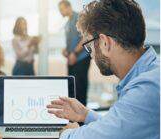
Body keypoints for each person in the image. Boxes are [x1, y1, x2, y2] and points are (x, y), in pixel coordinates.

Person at [47, 0, 160, 139]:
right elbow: (123, 128)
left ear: (105, 43)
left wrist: (66, 133)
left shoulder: (146, 88)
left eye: (89, 46)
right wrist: (85, 114)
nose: (91, 54)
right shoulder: (151, 72)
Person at [59, 0, 91, 105]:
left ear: (68, 7)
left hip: (81, 59)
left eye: (61, 9)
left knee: (80, 89)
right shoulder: (68, 23)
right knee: (72, 89)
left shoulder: (79, 17)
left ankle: (81, 120)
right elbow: (72, 41)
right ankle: (73, 116)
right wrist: (66, 51)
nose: (60, 12)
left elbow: (86, 37)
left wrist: (75, 53)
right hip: (72, 60)